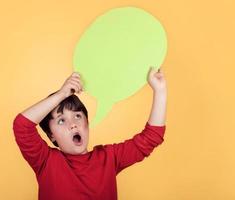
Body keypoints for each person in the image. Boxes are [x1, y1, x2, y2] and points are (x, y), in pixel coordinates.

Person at [13, 67, 167, 200]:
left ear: (87, 123)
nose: (73, 124)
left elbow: (151, 137)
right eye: (61, 120)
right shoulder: (46, 161)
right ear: (51, 135)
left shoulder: (109, 158)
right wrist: (62, 94)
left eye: (77, 116)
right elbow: (22, 126)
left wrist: (160, 90)